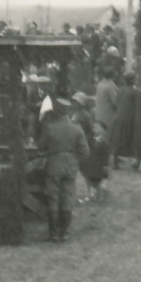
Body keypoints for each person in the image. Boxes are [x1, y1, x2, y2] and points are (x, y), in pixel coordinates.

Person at [36, 99, 88, 242]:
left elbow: (40, 146)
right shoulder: (76, 128)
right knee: (67, 197)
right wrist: (75, 161)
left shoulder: (49, 128)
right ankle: (64, 233)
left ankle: (53, 233)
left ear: (55, 112)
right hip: (71, 165)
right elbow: (85, 152)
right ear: (67, 111)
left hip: (54, 164)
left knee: (53, 197)